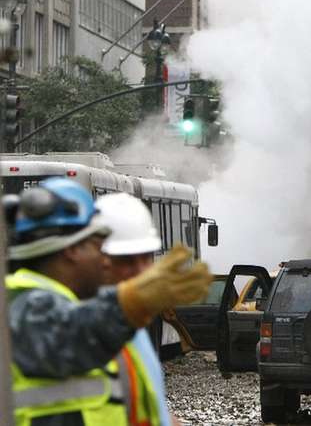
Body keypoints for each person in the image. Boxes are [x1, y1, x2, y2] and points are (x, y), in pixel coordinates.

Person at [5, 177, 213, 426]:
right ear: (72, 249)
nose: (104, 260)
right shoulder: (19, 303)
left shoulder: (101, 319)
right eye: (97, 246)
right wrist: (130, 303)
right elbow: (70, 335)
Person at [95, 192, 181, 426]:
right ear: (97, 258)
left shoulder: (132, 326)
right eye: (126, 260)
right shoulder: (80, 326)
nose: (141, 271)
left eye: (146, 258)